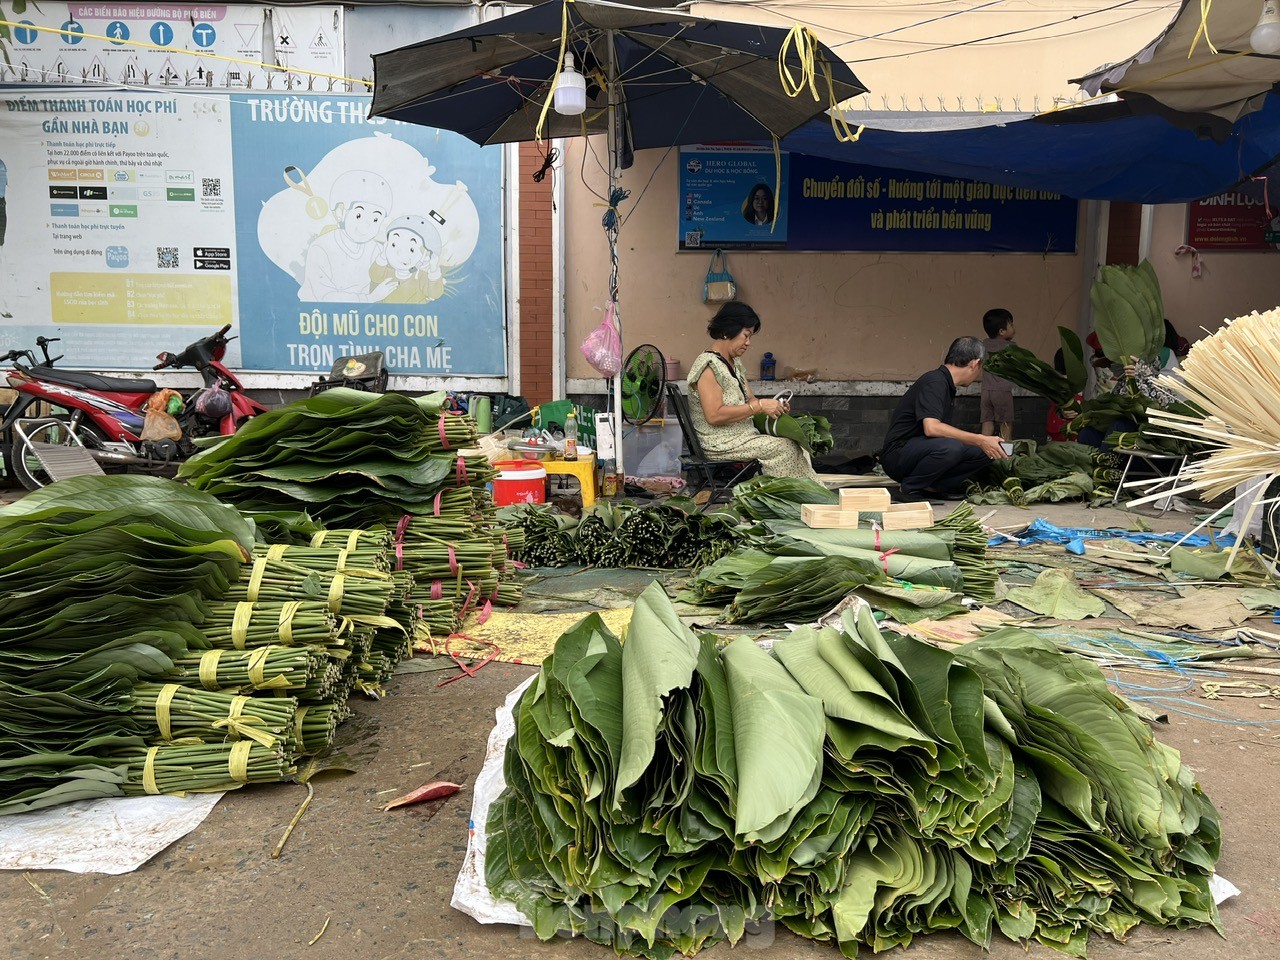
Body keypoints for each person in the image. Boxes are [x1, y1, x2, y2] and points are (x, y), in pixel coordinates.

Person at [687, 301, 818, 480]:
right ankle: (793, 500)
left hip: (741, 435)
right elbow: (714, 415)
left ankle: (808, 495)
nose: (748, 343)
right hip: (719, 442)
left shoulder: (734, 363)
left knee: (799, 442)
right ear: (728, 331)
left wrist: (773, 406)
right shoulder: (709, 367)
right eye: (746, 335)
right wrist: (760, 406)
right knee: (784, 448)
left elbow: (751, 400)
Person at [880, 336, 1008, 501]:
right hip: (897, 455)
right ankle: (910, 488)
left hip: (920, 449)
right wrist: (979, 438)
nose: (979, 375)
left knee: (985, 451)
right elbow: (931, 428)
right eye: (981, 368)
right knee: (952, 447)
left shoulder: (946, 384)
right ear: (975, 364)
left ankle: (934, 487)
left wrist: (983, 442)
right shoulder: (934, 382)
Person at [298, 170, 398, 302]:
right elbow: (325, 297)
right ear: (341, 212)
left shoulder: (376, 249)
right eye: (359, 215)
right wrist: (371, 298)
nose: (366, 226)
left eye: (375, 219)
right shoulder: (321, 248)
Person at [368, 214, 445, 304]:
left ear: (426, 255)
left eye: (411, 250)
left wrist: (434, 269)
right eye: (393, 245)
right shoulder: (388, 272)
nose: (399, 253)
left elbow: (434, 294)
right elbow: (374, 276)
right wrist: (383, 256)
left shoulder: (421, 277)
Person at [979, 307, 1015, 440]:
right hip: (1002, 391)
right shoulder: (1010, 347)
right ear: (1002, 331)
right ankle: (1005, 455)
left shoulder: (983, 345)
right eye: (1011, 324)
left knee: (987, 422)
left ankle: (982, 454)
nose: (1013, 327)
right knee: (1006, 424)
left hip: (985, 391)